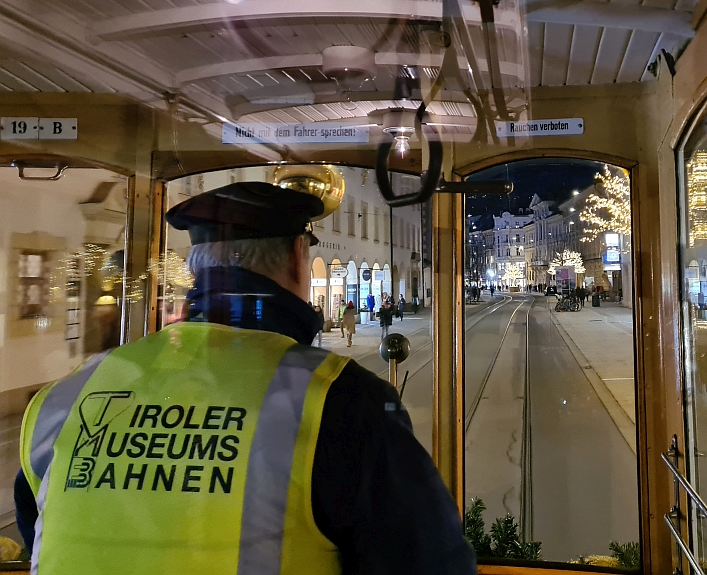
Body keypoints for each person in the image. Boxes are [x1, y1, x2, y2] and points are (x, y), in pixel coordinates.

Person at [15, 182, 475, 575]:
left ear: (195, 269)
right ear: (298, 258)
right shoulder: (339, 401)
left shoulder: (65, 397)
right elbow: (431, 561)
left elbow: (36, 529)